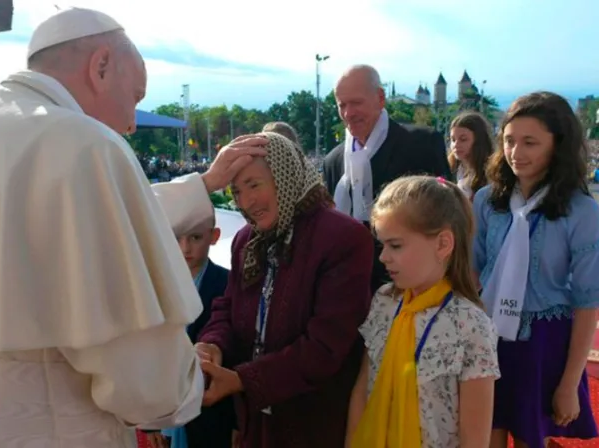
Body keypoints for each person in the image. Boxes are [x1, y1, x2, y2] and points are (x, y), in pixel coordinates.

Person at [0, 7, 265, 448]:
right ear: (101, 66)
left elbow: (67, 227)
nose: (130, 123)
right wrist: (190, 389)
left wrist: (200, 186)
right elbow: (143, 381)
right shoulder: (84, 143)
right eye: (136, 97)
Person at [195, 133, 374, 448]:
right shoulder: (246, 241)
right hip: (256, 424)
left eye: (254, 185)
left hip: (315, 425)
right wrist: (212, 346)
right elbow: (227, 306)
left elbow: (325, 347)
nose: (245, 202)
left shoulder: (343, 238)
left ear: (284, 174)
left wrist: (241, 380)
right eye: (236, 191)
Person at [474, 92, 599, 448]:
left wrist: (569, 383)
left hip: (545, 345)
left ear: (558, 145)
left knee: (533, 439)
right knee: (484, 436)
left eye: (530, 142)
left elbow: (588, 302)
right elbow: (471, 273)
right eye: (510, 141)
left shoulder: (581, 211)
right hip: (489, 338)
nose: (516, 153)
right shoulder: (487, 201)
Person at [346, 175, 500, 448]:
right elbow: (362, 388)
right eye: (382, 245)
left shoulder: (470, 324)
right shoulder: (384, 302)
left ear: (443, 244)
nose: (382, 257)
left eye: (395, 246)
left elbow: (475, 437)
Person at [323, 65, 452, 291]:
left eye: (356, 103)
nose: (348, 113)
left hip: (416, 290)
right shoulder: (333, 161)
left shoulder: (422, 145)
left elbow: (448, 217)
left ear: (380, 98)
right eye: (342, 105)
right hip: (352, 291)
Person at [150, 212, 236, 448]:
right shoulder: (157, 287)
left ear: (214, 236)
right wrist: (152, 420)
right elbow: (153, 354)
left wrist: (237, 422)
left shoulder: (228, 283)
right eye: (177, 238)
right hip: (168, 406)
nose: (185, 248)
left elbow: (236, 356)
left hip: (212, 408)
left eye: (196, 237)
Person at [447, 111, 494, 200]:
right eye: (453, 140)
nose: (456, 145)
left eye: (463, 139)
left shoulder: (491, 174)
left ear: (478, 141)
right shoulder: (450, 170)